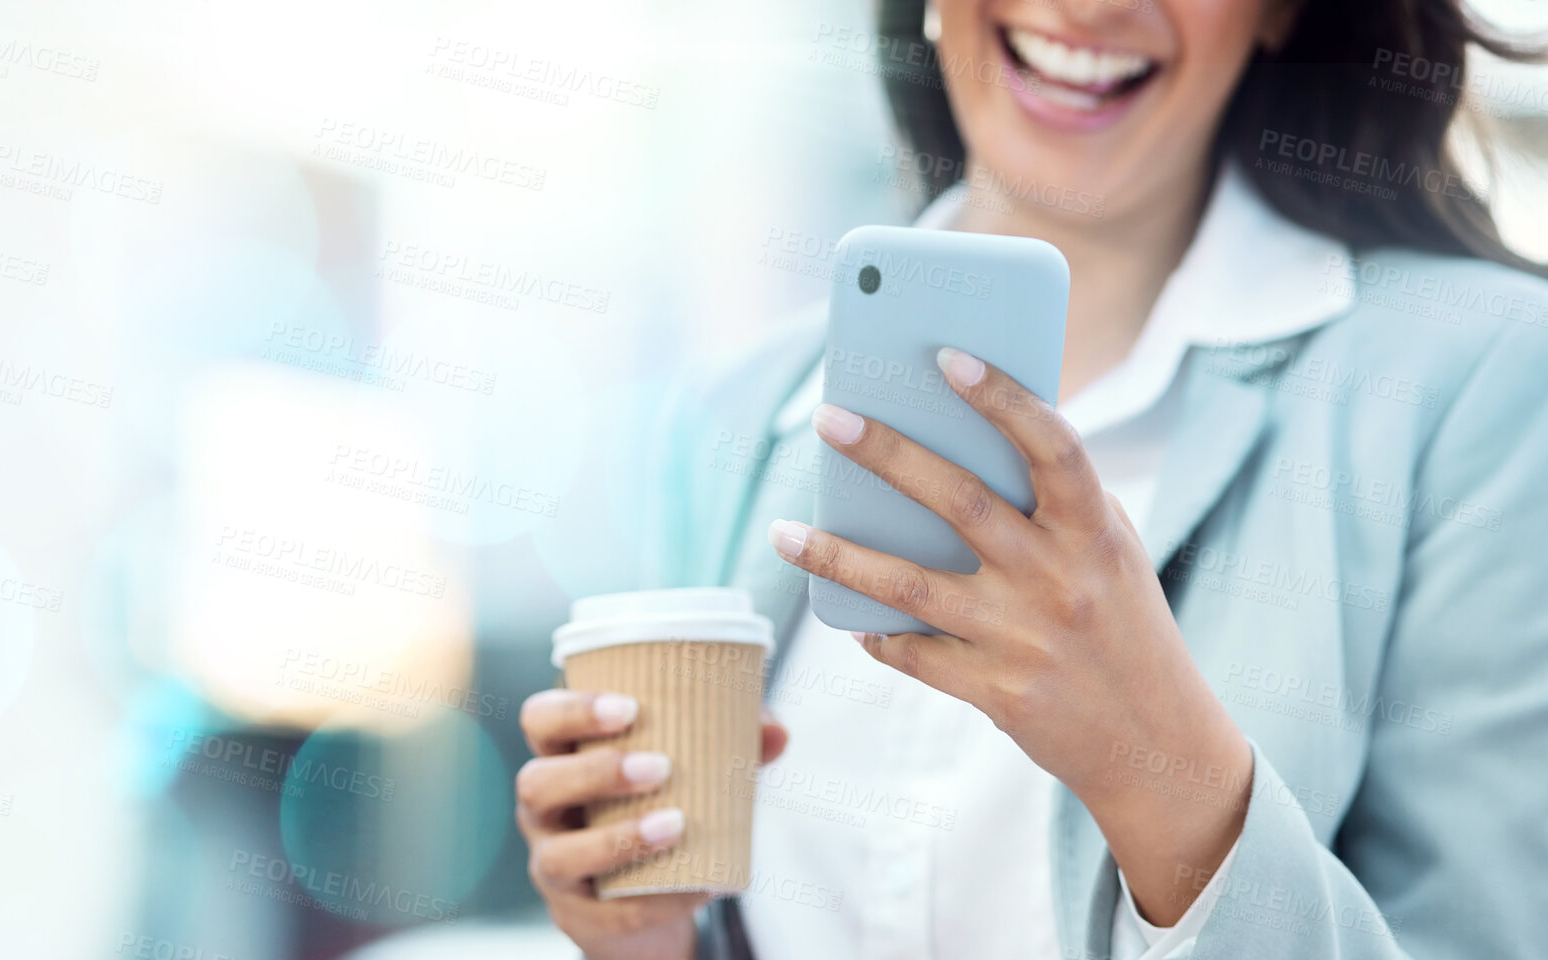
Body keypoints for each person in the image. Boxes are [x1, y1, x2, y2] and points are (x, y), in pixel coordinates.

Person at [513, 0, 1548, 957]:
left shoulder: (1481, 380)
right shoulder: (735, 415)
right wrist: (643, 939)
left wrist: (1157, 768)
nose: (1089, 5)